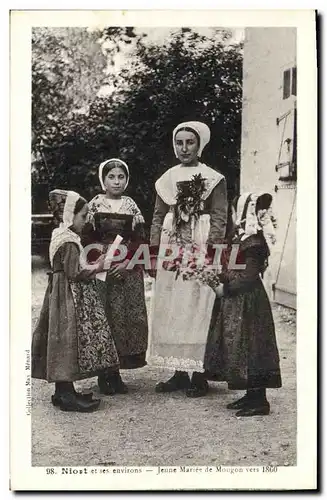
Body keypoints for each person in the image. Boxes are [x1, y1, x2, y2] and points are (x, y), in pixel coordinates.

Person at [148, 121, 228, 397]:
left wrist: (212, 248)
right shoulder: (167, 178)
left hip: (199, 242)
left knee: (198, 303)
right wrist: (154, 249)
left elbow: (219, 216)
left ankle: (199, 373)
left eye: (189, 142)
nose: (184, 148)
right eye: (179, 142)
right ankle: (179, 372)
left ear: (200, 145)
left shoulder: (212, 177)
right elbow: (159, 216)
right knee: (174, 305)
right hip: (173, 244)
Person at [32, 190, 120, 412]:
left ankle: (63, 391)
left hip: (59, 293)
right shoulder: (69, 241)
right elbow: (74, 272)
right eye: (82, 216)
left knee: (61, 340)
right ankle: (66, 394)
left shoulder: (58, 235)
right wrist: (99, 266)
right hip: (68, 296)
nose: (86, 220)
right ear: (70, 216)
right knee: (69, 340)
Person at [203, 192, 282, 416]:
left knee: (253, 346)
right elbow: (233, 268)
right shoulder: (242, 239)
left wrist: (225, 288)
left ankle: (260, 401)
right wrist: (218, 277)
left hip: (249, 302)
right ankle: (250, 394)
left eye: (235, 210)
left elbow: (249, 276)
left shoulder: (254, 242)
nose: (233, 215)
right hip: (238, 300)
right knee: (241, 346)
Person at [88, 158, 149, 395]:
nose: (116, 181)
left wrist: (126, 263)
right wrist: (100, 260)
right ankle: (105, 374)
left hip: (126, 268)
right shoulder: (94, 205)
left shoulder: (131, 205)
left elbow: (140, 239)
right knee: (106, 316)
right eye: (111, 177)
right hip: (102, 267)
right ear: (103, 180)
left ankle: (118, 372)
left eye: (121, 177)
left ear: (127, 180)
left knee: (125, 317)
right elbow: (88, 237)